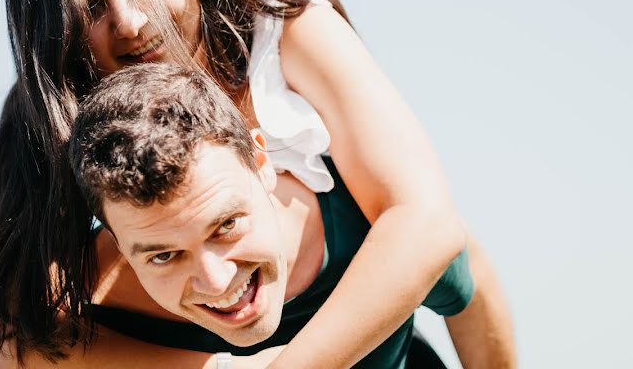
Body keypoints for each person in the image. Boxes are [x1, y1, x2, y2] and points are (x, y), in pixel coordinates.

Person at [0, 0, 515, 367]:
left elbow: (429, 222)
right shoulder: (48, 115)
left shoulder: (282, 23)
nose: (130, 22)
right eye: (91, 6)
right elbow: (16, 343)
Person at [53, 63, 510, 368]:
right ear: (116, 240)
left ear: (262, 161)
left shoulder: (373, 223)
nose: (215, 281)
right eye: (164, 256)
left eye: (226, 225)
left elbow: (472, 278)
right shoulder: (90, 308)